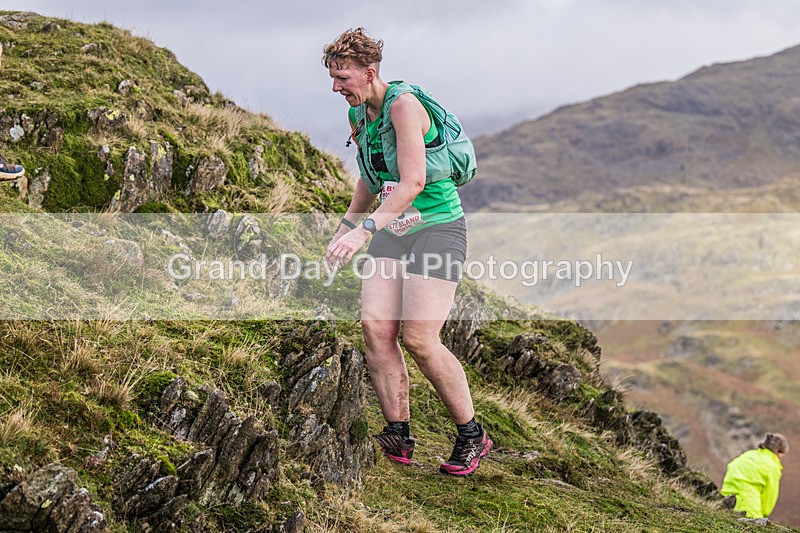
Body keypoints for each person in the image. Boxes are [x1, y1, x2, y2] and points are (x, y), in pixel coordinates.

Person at [322, 28, 491, 476]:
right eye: (333, 77)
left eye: (342, 77)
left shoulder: (403, 106)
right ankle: (399, 433)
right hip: (395, 227)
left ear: (369, 72)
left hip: (438, 229)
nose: (335, 87)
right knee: (377, 327)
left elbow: (413, 182)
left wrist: (363, 233)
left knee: (418, 338)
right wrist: (345, 227)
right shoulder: (359, 116)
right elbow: (370, 177)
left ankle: (472, 435)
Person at [721, 433, 789, 519]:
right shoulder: (772, 465)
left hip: (726, 501)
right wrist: (763, 514)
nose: (780, 459)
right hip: (748, 508)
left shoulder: (748, 455)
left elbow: (731, 468)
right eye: (781, 455)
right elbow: (769, 496)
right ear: (777, 451)